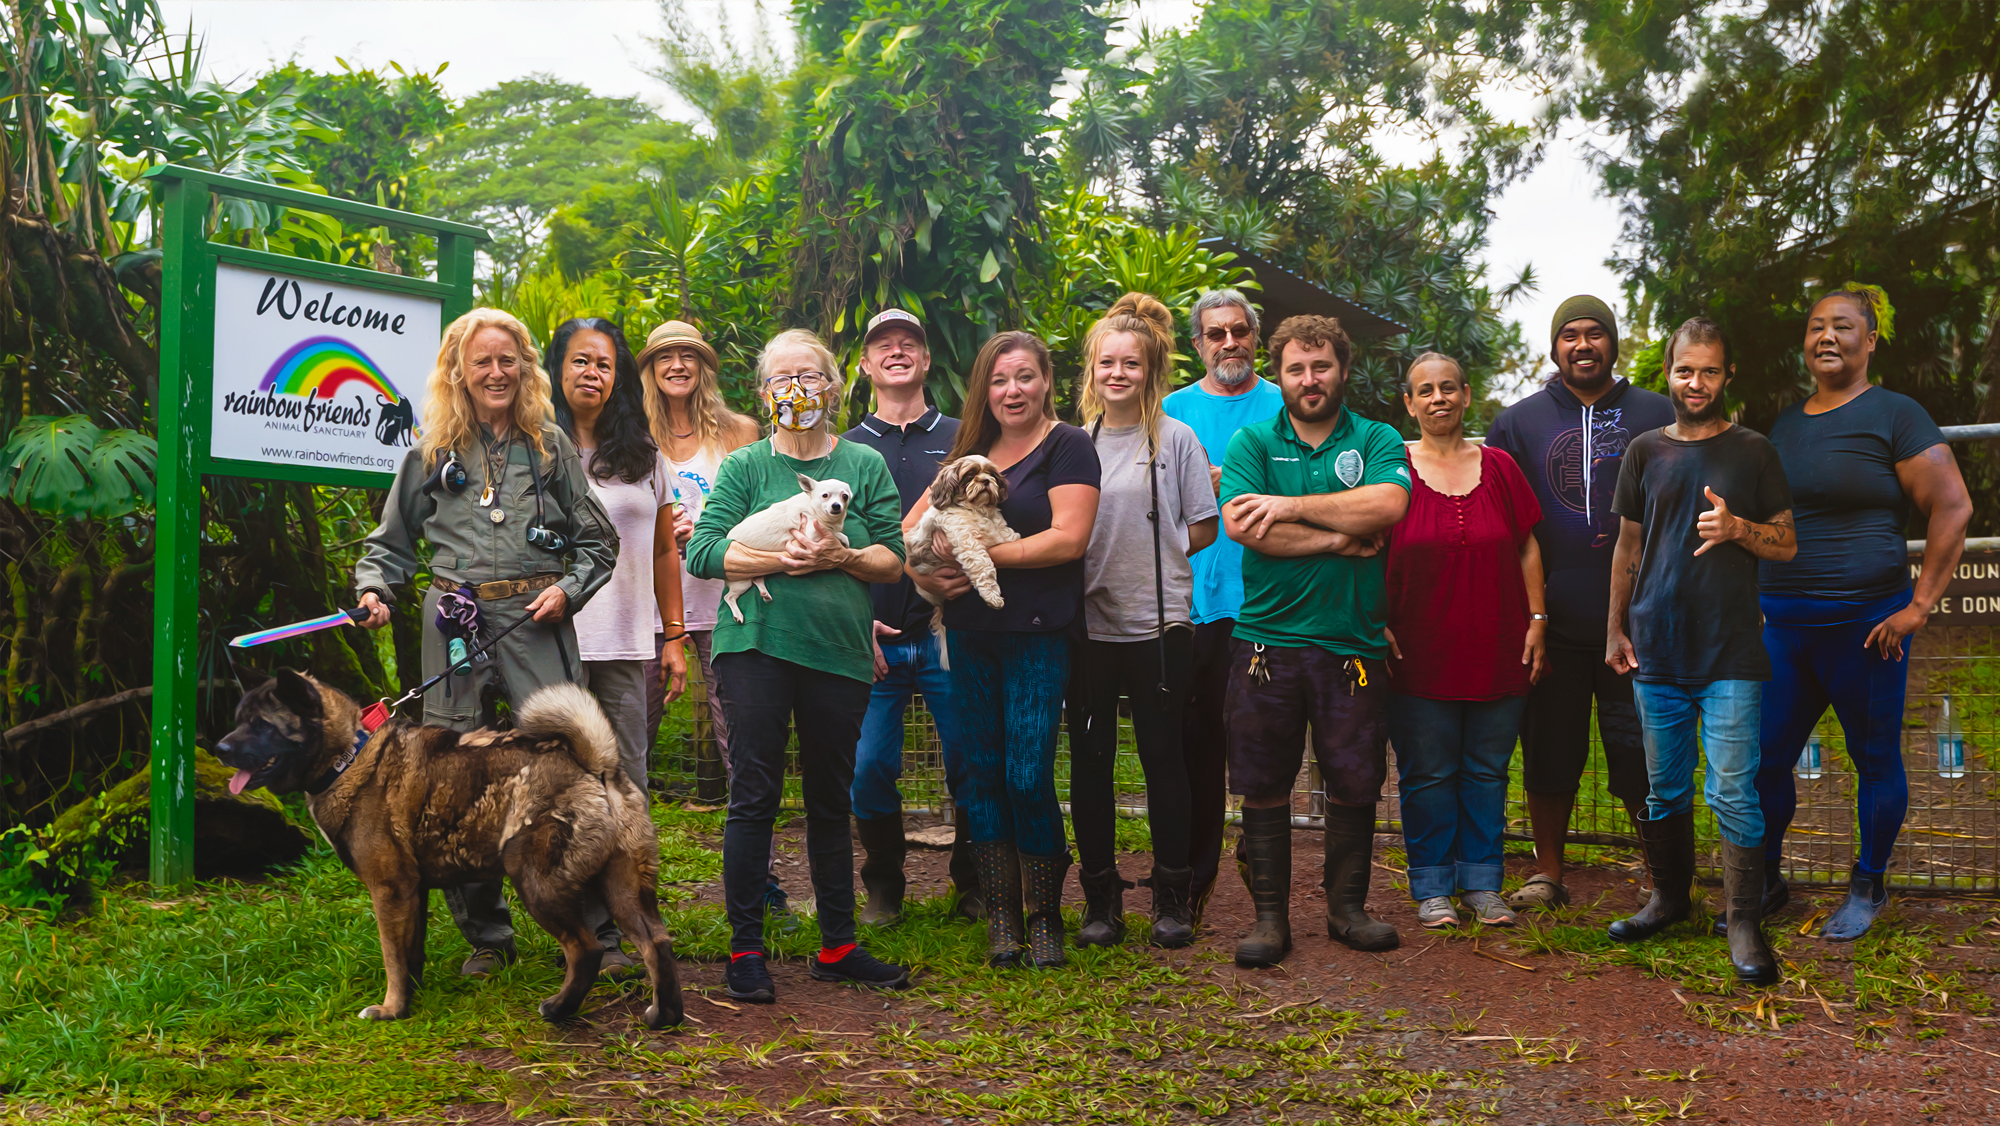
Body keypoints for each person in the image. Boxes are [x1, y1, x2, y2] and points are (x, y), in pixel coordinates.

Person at [354, 307, 619, 978]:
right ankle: (488, 939)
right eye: (482, 362)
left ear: (525, 369)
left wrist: (569, 591)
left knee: (569, 766)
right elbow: (387, 548)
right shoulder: (431, 452)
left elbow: (598, 543)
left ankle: (600, 930)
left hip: (535, 618)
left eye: (508, 361)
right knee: (453, 775)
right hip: (454, 625)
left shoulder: (551, 446)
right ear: (459, 372)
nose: (496, 373)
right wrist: (376, 593)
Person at [684, 328, 913, 1003]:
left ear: (833, 388)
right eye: (782, 378)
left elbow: (893, 559)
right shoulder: (746, 466)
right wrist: (778, 561)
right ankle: (745, 948)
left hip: (837, 653)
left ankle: (837, 943)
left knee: (828, 798)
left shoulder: (864, 466)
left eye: (809, 377)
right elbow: (703, 553)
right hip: (754, 646)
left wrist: (839, 557)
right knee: (754, 795)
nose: (796, 390)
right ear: (762, 392)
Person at [1751, 288, 1972, 942]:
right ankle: (1765, 880)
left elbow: (1952, 507)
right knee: (1764, 760)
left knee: (1873, 759)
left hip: (1866, 629)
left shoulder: (1896, 415)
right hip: (1783, 629)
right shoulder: (1785, 425)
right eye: (1816, 326)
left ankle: (1868, 882)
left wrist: (1920, 606)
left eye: (1842, 327)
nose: (1827, 337)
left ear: (1870, 340)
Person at [1605, 317, 1795, 985]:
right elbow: (1628, 549)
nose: (1696, 382)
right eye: (1686, 370)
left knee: (1733, 792)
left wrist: (1739, 527)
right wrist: (1615, 629)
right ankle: (1669, 900)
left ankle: (1744, 921)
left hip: (1731, 652)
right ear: (1668, 370)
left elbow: (1787, 541)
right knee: (1662, 788)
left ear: (1727, 375)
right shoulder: (1644, 451)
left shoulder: (1753, 452)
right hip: (1656, 647)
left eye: (1710, 371)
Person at [1220, 314, 1411, 967]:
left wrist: (1290, 506)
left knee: (1355, 779)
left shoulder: (1378, 437)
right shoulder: (1251, 441)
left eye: (1321, 365)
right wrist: (1337, 536)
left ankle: (1347, 910)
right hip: (1266, 644)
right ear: (1280, 375)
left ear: (1343, 369)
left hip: (1352, 643)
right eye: (1297, 368)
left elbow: (1387, 504)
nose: (1309, 379)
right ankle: (1270, 920)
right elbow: (1245, 526)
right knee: (1265, 781)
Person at [905, 331, 1100, 968]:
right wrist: (926, 575)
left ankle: (1045, 916)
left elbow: (1068, 540)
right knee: (982, 775)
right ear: (982, 391)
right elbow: (906, 536)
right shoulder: (968, 455)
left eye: (1024, 377)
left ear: (1047, 380)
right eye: (998, 380)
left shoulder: (1068, 446)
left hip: (1039, 634)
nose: (1011, 391)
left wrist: (979, 553)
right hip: (969, 633)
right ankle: (1001, 917)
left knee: (1026, 773)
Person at [1485, 296, 1674, 912]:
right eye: (1570, 335)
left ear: (1614, 343)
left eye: (1596, 333)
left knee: (1641, 750)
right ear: (1554, 347)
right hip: (1551, 619)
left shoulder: (1658, 412)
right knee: (1549, 749)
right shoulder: (1519, 422)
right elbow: (1502, 520)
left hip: (1639, 622)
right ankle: (1548, 872)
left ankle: (1663, 876)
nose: (1583, 344)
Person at [1070, 294, 1219, 949]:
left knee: (1165, 761)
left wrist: (1154, 559)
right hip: (1089, 629)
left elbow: (1205, 525)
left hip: (1160, 628)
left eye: (1132, 363)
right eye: (1107, 362)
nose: (1118, 373)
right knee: (1092, 763)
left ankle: (1172, 897)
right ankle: (1100, 899)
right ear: (1093, 370)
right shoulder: (1075, 444)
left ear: (1151, 369)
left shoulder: (1178, 439)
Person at [1384, 353, 1547, 930]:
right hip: (1417, 649)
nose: (1438, 399)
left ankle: (1481, 883)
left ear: (1467, 395)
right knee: (1426, 771)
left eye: (1448, 388)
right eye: (1424, 391)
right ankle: (1431, 885)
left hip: (1498, 644)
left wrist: (1538, 618)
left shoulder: (1500, 466)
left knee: (1486, 770)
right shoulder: (1392, 467)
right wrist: (1373, 618)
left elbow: (1527, 545)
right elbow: (1366, 548)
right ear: (1409, 403)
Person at [840, 308, 981, 926]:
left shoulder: (961, 436)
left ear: (925, 360)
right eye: (882, 346)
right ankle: (883, 884)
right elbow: (832, 543)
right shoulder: (842, 449)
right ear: (866, 365)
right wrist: (851, 620)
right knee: (868, 767)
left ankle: (974, 884)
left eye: (909, 344)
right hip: (871, 635)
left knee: (972, 761)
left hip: (954, 632)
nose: (896, 352)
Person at [1162, 288, 1285, 922]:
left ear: (1255, 337)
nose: (1229, 342)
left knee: (1263, 740)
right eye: (1216, 334)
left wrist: (1229, 481)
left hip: (1268, 601)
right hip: (1192, 603)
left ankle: (1265, 868)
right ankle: (1192, 879)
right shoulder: (1171, 411)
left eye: (1239, 330)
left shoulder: (1284, 403)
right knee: (1196, 741)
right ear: (1198, 344)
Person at [550, 316, 689, 789]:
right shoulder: (531, 451)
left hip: (624, 645)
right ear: (558, 369)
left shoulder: (644, 456)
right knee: (557, 779)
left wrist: (673, 635)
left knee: (629, 778)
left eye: (604, 365)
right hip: (549, 642)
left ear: (617, 378)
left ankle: (630, 865)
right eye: (581, 361)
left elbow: (664, 550)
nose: (593, 372)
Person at [638, 319, 760, 774]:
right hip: (648, 606)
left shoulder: (739, 433)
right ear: (650, 369)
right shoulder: (632, 436)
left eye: (687, 355)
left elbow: (763, 510)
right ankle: (621, 841)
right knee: (633, 734)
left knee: (739, 735)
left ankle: (752, 845)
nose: (677, 365)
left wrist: (711, 530)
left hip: (725, 602)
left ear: (703, 366)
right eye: (665, 357)